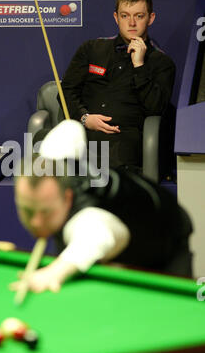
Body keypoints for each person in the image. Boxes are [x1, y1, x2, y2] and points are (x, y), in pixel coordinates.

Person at [11, 121, 192, 294]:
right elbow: (70, 128)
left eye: (45, 212)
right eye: (27, 210)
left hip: (167, 235)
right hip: (128, 226)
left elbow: (95, 239)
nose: (36, 221)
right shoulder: (52, 159)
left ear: (67, 198)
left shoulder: (88, 218)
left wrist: (54, 272)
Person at [58, 0, 176, 171]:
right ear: (116, 17)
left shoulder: (162, 63)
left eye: (139, 16)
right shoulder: (91, 49)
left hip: (123, 142)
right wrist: (84, 118)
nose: (131, 23)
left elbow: (156, 108)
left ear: (150, 18)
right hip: (82, 132)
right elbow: (66, 90)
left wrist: (139, 66)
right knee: (45, 156)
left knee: (106, 173)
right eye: (125, 16)